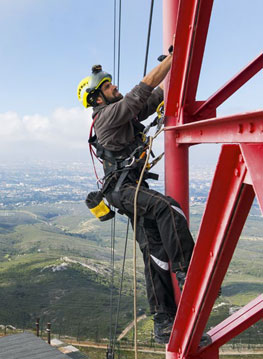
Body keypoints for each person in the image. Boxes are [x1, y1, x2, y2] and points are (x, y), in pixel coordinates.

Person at [77, 54, 195, 344]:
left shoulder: (119, 117)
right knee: (169, 209)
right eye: (107, 86)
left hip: (126, 190)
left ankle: (163, 321)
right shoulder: (107, 116)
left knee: (154, 254)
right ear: (98, 99)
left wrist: (171, 78)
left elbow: (152, 97)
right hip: (125, 190)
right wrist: (173, 58)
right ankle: (187, 272)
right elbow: (141, 90)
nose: (113, 86)